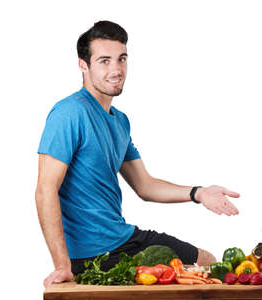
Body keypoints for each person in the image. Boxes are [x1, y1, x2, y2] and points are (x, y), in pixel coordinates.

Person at [35, 20, 240, 288]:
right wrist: (63, 266)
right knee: (206, 266)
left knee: (206, 264)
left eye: (121, 59)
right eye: (104, 61)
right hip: (94, 255)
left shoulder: (119, 121)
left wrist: (198, 193)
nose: (116, 69)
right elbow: (45, 190)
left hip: (121, 239)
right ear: (83, 65)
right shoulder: (69, 113)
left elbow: (145, 185)